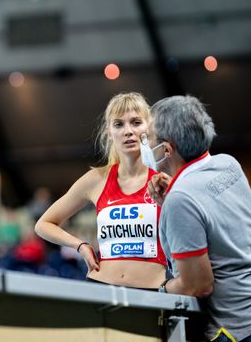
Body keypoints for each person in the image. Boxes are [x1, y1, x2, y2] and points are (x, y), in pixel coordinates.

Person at [145, 95, 251, 342]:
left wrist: (161, 289)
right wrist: (172, 203)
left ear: (166, 149)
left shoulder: (182, 199)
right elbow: (214, 222)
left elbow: (198, 285)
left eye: (149, 139)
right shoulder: (229, 164)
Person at [35, 92, 167, 289]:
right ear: (109, 132)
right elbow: (43, 224)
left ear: (149, 127)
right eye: (119, 124)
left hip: (152, 292)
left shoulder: (164, 178)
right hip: (102, 287)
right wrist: (80, 246)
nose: (128, 131)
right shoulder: (96, 180)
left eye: (136, 122)